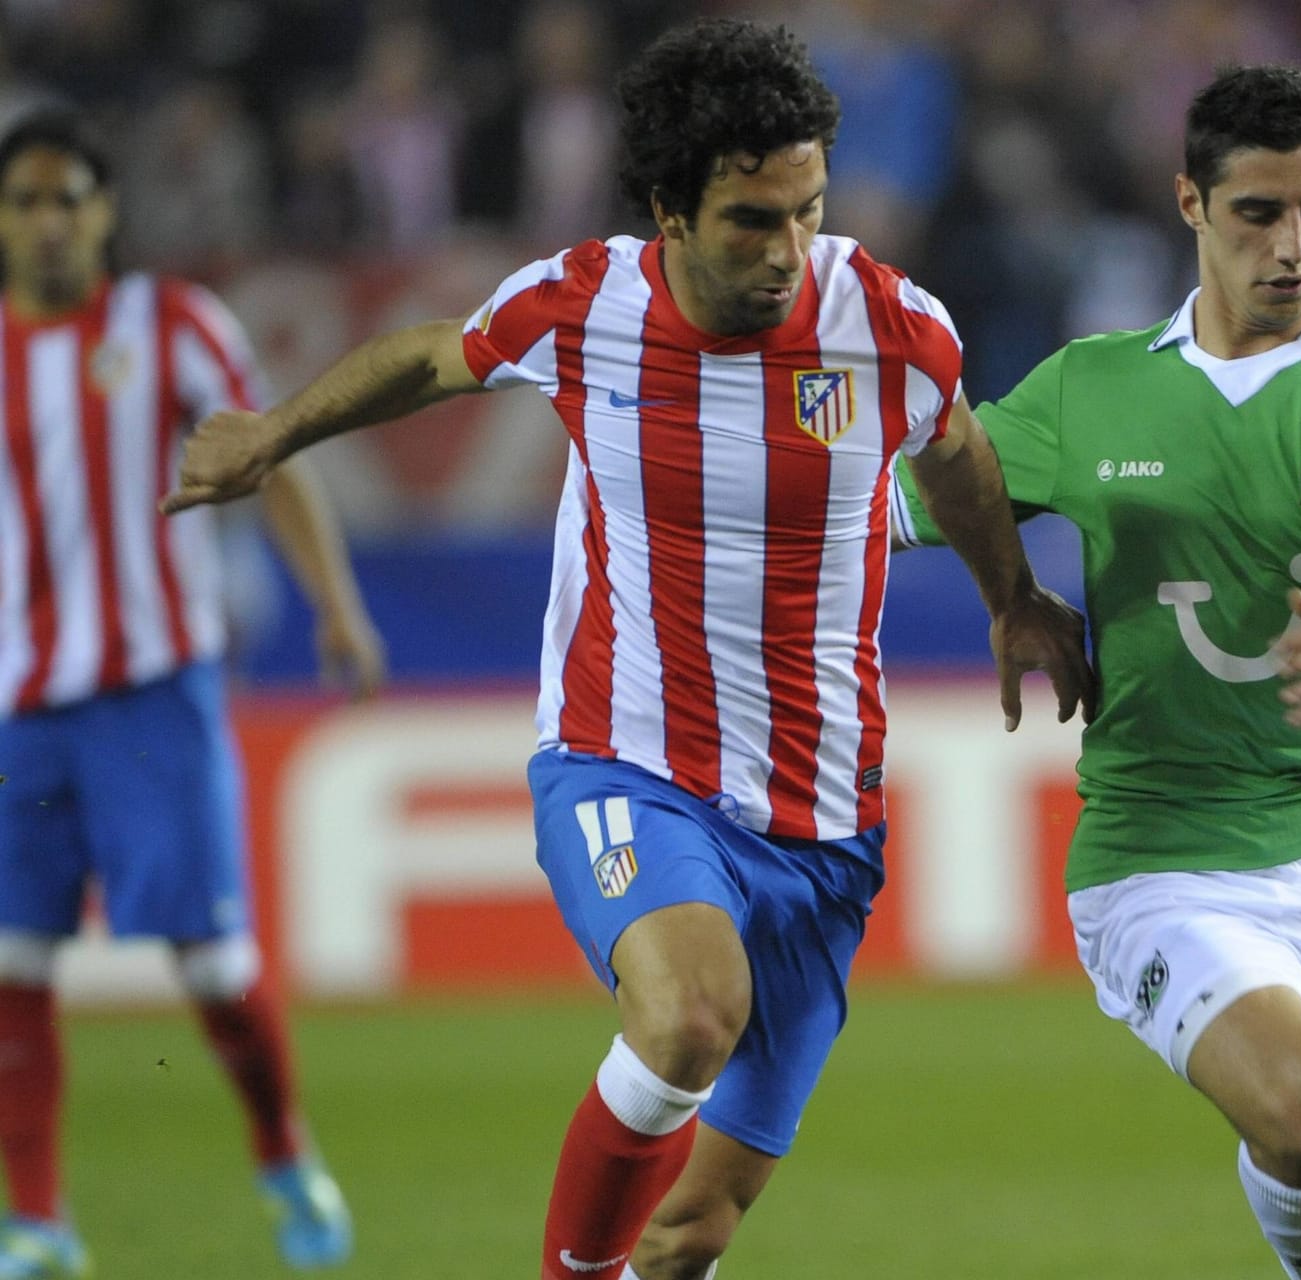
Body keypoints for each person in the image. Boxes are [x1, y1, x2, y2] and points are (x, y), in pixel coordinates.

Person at [163, 20, 1091, 1280]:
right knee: (689, 1010)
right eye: (751, 221)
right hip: (628, 763)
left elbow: (962, 458)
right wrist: (274, 432)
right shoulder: (587, 304)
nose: (788, 252)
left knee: (690, 1232)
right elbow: (429, 356)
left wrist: (1014, 596)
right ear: (668, 209)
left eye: (806, 212)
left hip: (824, 826)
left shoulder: (888, 325)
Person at [892, 65, 1301, 1280]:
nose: (1293, 245)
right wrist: (1008, 595)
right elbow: (913, 489)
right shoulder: (1095, 387)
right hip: (1166, 857)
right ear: (1190, 203)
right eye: (1258, 211)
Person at [0, 111, 381, 1276]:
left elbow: (268, 458)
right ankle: (41, 1221)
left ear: (106, 211)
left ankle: (281, 1149)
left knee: (213, 964)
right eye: (27, 200)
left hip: (155, 693)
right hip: (19, 704)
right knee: (13, 964)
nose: (50, 221)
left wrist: (335, 603)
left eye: (71, 197)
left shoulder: (169, 326)